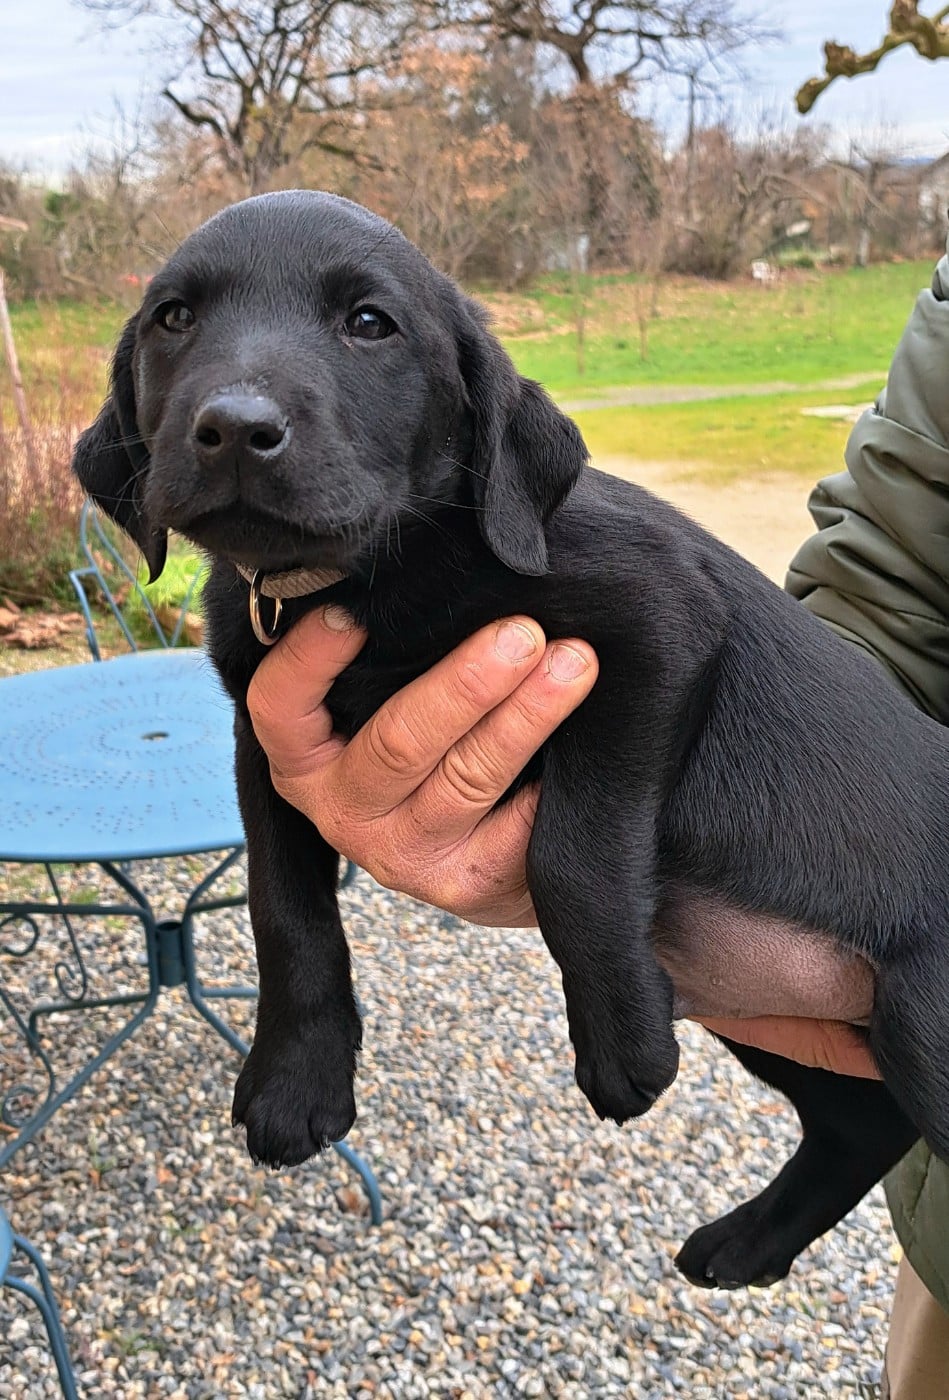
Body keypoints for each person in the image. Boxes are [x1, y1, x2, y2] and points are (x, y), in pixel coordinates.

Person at [245, 239, 949, 1398]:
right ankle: (851, 1136)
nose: (240, 404)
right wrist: (307, 1005)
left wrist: (594, 912)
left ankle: (849, 1137)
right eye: (176, 322)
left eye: (369, 324)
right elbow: (886, 590)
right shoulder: (264, 607)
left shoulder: (501, 533)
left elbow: (666, 616)